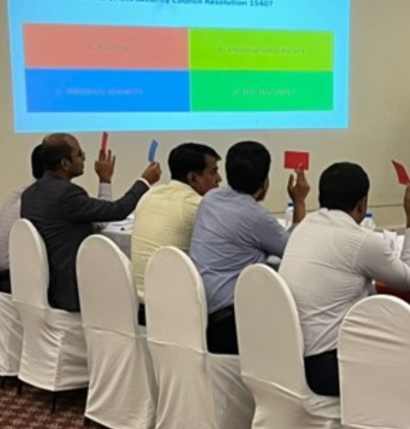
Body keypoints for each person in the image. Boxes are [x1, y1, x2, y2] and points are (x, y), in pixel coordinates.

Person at [279, 162, 410, 397]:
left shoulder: (305, 225)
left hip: (289, 360)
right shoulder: (361, 240)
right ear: (362, 203)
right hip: (325, 367)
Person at [189, 141, 309, 355]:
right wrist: (299, 202)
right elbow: (295, 250)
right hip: (231, 322)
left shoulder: (210, 199)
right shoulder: (256, 217)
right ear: (265, 182)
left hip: (201, 311)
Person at [20, 133, 161, 312]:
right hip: (74, 288)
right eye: (80, 155)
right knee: (138, 296)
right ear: (65, 163)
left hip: (45, 285)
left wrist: (105, 179)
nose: (85, 159)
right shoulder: (67, 195)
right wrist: (145, 181)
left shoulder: (30, 194)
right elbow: (118, 210)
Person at [0, 144, 115, 294]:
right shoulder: (50, 199)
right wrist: (105, 180)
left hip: (7, 272)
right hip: (16, 279)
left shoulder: (25, 192)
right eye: (79, 155)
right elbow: (102, 222)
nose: (84, 159)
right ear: (62, 165)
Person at [131, 143, 222, 319]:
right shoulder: (197, 205)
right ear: (193, 178)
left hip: (137, 306)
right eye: (213, 172)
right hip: (172, 312)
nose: (219, 179)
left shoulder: (149, 194)